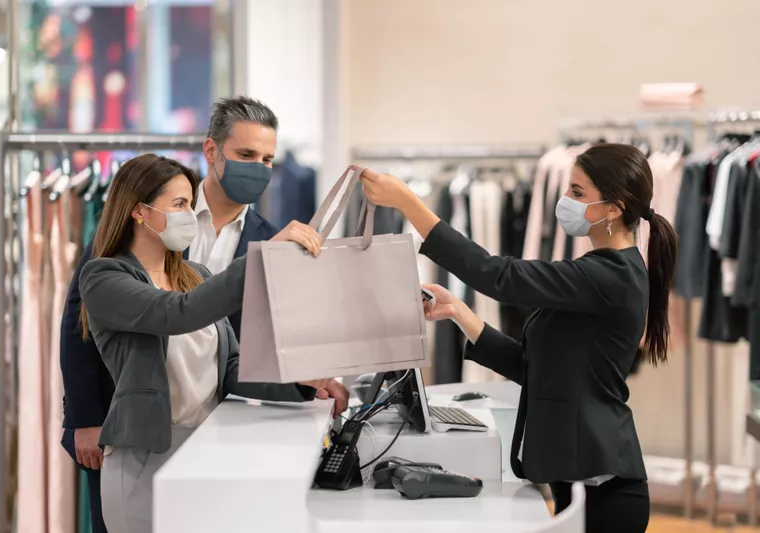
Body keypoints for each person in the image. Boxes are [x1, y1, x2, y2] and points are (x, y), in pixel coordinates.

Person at [60, 96, 349, 533]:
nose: (187, 214)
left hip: (210, 444)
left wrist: (300, 382)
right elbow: (175, 314)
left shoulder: (194, 272)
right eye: (176, 205)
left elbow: (230, 365)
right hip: (142, 446)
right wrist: (84, 416)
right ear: (139, 211)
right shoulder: (106, 272)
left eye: (268, 159)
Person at [360, 143, 677, 533]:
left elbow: (499, 276)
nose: (565, 201)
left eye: (577, 193)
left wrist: (410, 204)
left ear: (614, 208)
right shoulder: (601, 272)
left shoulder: (612, 275)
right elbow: (537, 371)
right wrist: (459, 313)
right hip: (581, 482)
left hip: (608, 492)